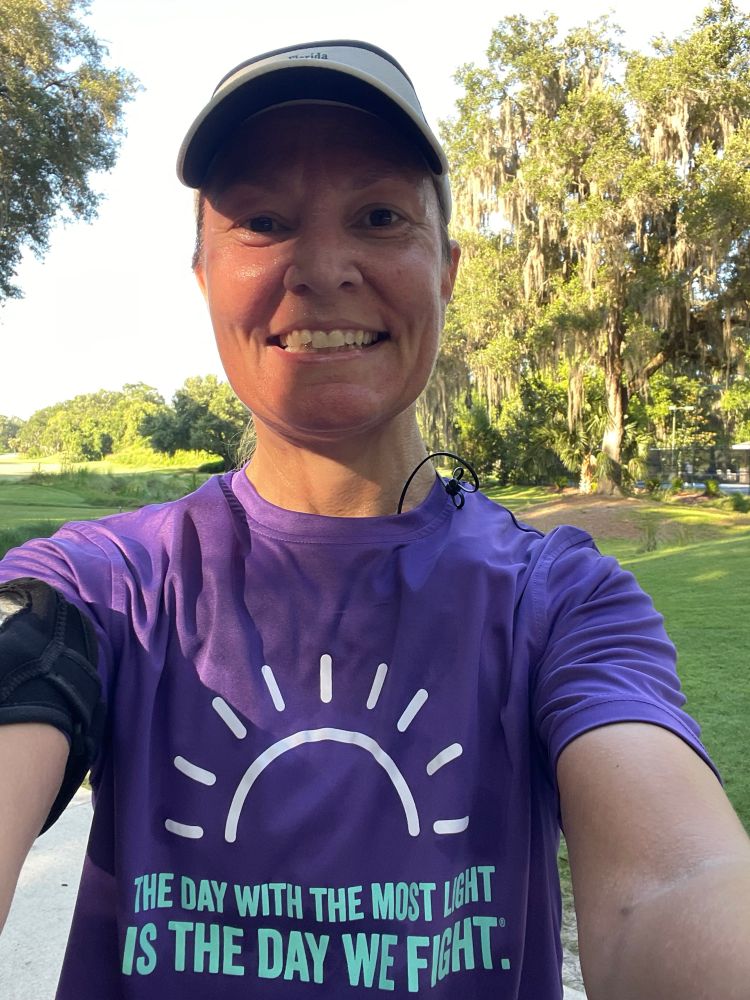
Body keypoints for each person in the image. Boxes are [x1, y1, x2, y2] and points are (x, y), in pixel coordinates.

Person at [0, 39, 748, 1000]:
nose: (321, 268)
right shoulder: (104, 584)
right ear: (203, 277)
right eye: (263, 221)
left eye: (380, 216)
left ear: (448, 269)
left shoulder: (561, 602)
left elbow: (673, 885)